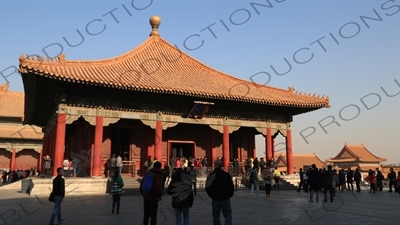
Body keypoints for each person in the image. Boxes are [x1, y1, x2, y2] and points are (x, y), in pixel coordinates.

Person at [205, 159, 234, 225]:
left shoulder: (211, 176)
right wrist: (229, 195)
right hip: (225, 198)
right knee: (228, 215)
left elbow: (207, 187)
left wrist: (211, 195)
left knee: (216, 217)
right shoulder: (226, 175)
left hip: (215, 199)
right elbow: (231, 187)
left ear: (214, 165)